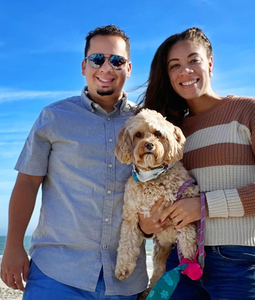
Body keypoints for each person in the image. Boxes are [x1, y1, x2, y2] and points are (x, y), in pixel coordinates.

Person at [138, 27, 255, 300]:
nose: (185, 71)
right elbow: (153, 193)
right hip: (180, 259)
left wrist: (204, 206)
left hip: (240, 260)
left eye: (193, 60)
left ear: (210, 63)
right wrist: (145, 226)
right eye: (174, 65)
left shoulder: (251, 110)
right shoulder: (171, 133)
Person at [0, 25, 149, 300]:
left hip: (125, 280)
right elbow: (27, 182)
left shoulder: (145, 124)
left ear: (128, 68)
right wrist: (13, 245)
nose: (106, 68)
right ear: (84, 66)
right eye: (97, 59)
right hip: (56, 275)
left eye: (116, 60)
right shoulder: (54, 117)